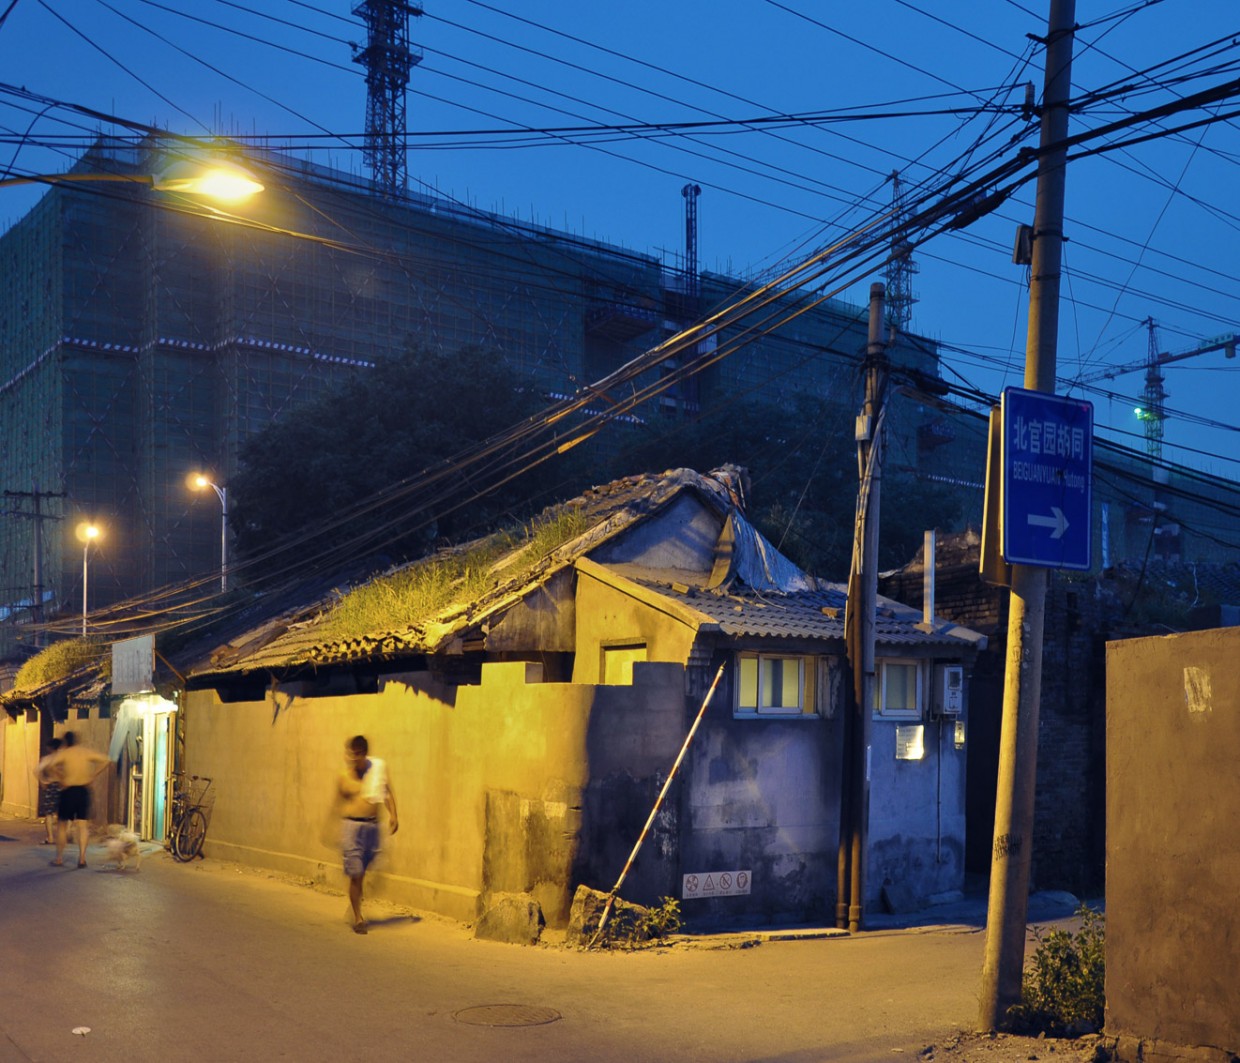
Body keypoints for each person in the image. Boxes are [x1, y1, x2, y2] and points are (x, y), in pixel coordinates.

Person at [337, 735, 398, 934]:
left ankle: (355, 904)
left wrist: (394, 815)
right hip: (352, 829)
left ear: (364, 754)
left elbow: (386, 792)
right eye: (350, 754)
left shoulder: (376, 770)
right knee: (356, 875)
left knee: (362, 873)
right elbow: (337, 805)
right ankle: (358, 918)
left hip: (372, 829)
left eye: (356, 755)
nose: (351, 759)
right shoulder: (345, 777)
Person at [40, 731, 112, 868]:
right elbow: (106, 759)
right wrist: (92, 775)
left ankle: (59, 858)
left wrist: (61, 777)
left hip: (68, 790)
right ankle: (82, 858)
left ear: (66, 742)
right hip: (83, 790)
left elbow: (50, 766)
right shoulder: (85, 752)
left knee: (62, 825)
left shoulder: (65, 754)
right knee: (82, 826)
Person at [35, 737, 63, 845]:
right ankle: (64, 836)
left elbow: (37, 771)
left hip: (51, 786)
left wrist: (43, 782)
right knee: (63, 813)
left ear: (50, 747)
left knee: (49, 813)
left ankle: (50, 837)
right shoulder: (63, 758)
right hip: (62, 786)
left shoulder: (47, 759)